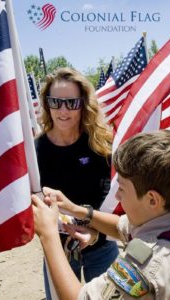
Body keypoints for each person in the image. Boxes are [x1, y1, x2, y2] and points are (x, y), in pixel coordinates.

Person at [32, 130, 170, 299]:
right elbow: (121, 226)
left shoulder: (145, 267)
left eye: (122, 189)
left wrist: (48, 235)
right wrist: (75, 209)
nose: (117, 195)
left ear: (152, 200)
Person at [35, 67, 119, 298]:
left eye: (71, 103)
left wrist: (93, 233)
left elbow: (112, 199)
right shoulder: (35, 151)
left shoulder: (101, 144)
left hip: (101, 245)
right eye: (56, 102)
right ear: (47, 104)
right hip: (58, 250)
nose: (63, 110)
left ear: (83, 104)